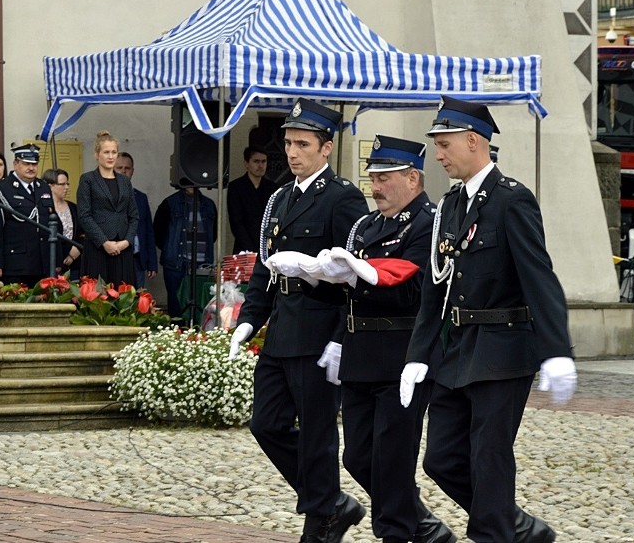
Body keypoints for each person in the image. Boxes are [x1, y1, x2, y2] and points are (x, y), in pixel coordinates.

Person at [399, 97, 577, 543]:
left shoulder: (511, 200)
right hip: (456, 349)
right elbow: (434, 290)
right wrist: (418, 354)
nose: (438, 155)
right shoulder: (450, 205)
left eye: (444, 144)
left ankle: (495, 532)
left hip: (502, 349)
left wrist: (556, 352)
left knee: (489, 457)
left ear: (473, 140)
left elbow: (540, 279)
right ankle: (511, 524)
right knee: (441, 459)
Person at [228, 98, 369, 543]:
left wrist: (341, 338)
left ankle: (322, 518)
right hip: (282, 330)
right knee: (265, 424)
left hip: (319, 329)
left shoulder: (343, 198)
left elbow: (354, 276)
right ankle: (328, 500)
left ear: (326, 148)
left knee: (317, 432)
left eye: (303, 144)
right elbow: (264, 268)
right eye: (288, 142)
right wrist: (249, 321)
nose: (292, 152)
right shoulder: (280, 197)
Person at [303, 134, 455, 543]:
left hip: (401, 354)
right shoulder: (366, 226)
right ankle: (418, 523)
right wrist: (316, 280)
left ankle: (398, 532)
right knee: (357, 457)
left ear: (412, 178)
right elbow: (346, 295)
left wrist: (360, 276)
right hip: (360, 355)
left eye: (385, 178)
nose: (376, 187)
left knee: (392, 457)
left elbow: (413, 289)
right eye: (372, 177)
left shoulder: (429, 223)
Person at [0, 143, 54, 286]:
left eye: (34, 164)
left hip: (42, 263)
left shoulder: (43, 187)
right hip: (16, 265)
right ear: (15, 164)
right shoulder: (1, 189)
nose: (31, 168)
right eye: (26, 163)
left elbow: (52, 223)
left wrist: (55, 259)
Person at [77, 131, 139, 287]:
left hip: (122, 248)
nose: (111, 156)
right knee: (98, 294)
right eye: (106, 152)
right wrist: (104, 242)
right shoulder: (88, 179)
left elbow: (134, 215)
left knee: (123, 295)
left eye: (114, 152)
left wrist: (127, 241)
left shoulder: (124, 181)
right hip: (98, 248)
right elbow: (84, 215)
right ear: (97, 155)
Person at [153, 186, 217, 318]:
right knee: (177, 312)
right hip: (176, 265)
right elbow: (158, 234)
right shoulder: (170, 203)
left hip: (203, 265)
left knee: (202, 309)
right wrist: (171, 250)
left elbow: (213, 234)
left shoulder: (209, 205)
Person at [114, 152, 158, 289]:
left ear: (132, 171)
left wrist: (152, 262)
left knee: (136, 301)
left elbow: (148, 231)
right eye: (119, 167)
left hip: (137, 259)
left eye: (127, 168)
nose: (123, 171)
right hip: (115, 260)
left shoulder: (141, 198)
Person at [227, 145, 278, 253]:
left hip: (267, 247)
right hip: (244, 248)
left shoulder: (273, 188)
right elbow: (236, 222)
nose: (260, 165)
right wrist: (251, 249)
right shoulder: (236, 187)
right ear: (247, 164)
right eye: (256, 161)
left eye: (263, 161)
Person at [42, 168, 81, 279]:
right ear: (50, 186)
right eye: (62, 184)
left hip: (74, 265)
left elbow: (83, 232)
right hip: (53, 264)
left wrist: (77, 249)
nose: (66, 188)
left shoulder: (74, 208)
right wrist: (68, 251)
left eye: (67, 184)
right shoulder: (44, 209)